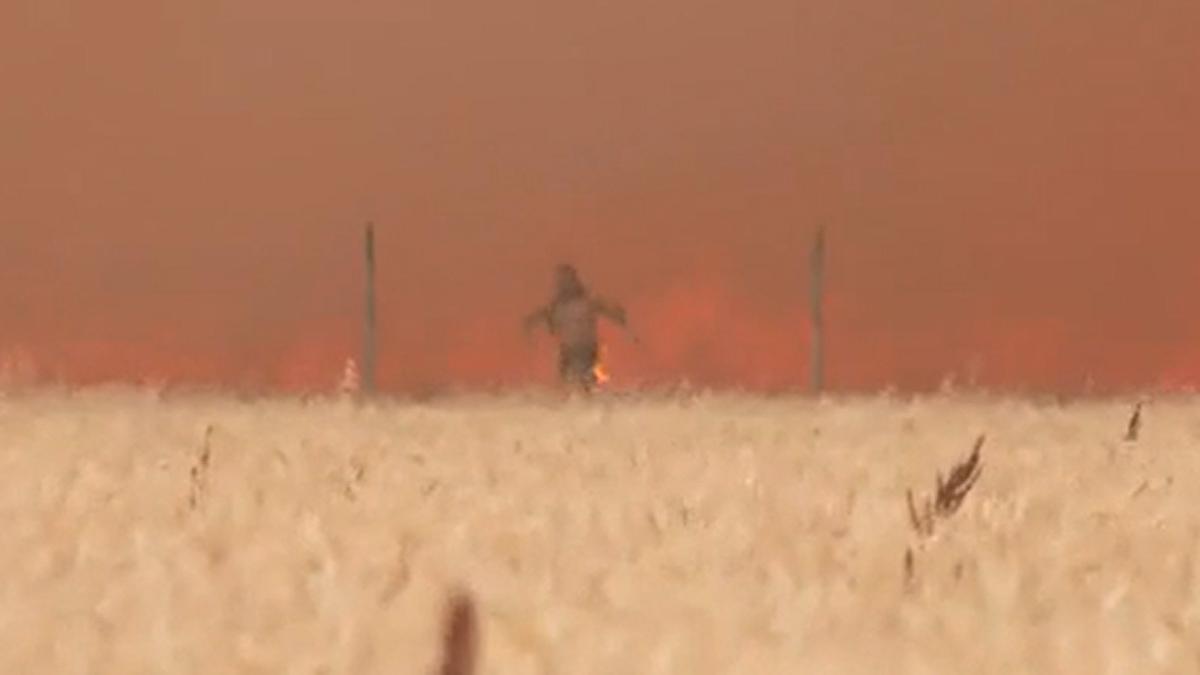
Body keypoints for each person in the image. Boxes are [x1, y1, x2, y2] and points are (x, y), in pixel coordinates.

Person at [523, 264, 637, 390]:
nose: (564, 284)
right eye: (561, 280)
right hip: (568, 350)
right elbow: (538, 317)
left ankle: (591, 398)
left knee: (584, 379)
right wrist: (529, 326)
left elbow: (611, 311)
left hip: (586, 348)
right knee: (566, 382)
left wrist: (623, 321)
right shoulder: (556, 306)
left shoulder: (587, 301)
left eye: (567, 280)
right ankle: (576, 402)